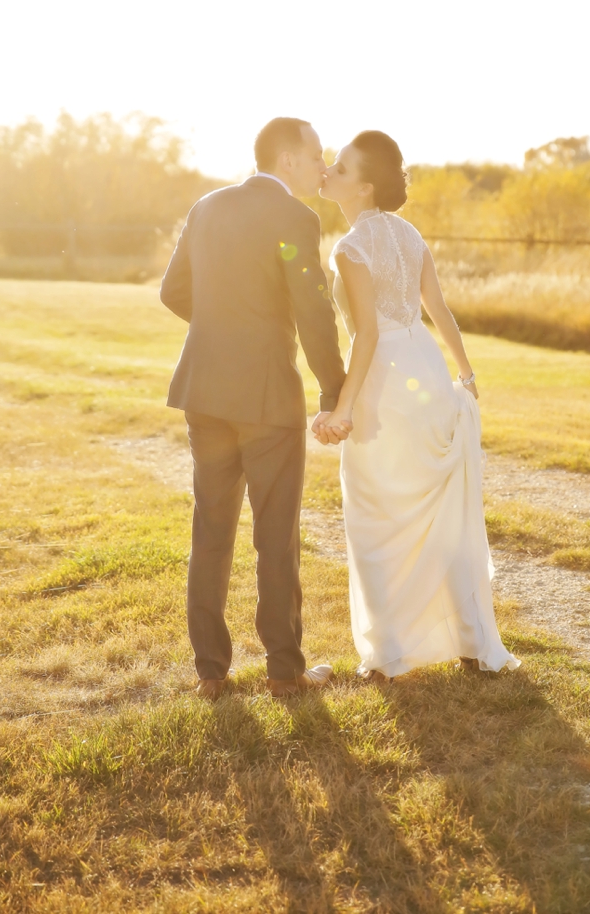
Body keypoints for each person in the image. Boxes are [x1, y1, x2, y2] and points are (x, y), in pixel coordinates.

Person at [315, 131, 520, 681]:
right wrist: (466, 374)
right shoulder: (409, 235)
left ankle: (392, 652)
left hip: (384, 385)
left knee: (376, 516)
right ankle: (471, 643)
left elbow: (364, 338)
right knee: (440, 516)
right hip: (428, 376)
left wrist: (344, 407)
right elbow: (440, 312)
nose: (326, 172)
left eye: (338, 167)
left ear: (362, 187)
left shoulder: (349, 248)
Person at [161, 118, 348, 698]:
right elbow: (316, 316)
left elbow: (172, 291)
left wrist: (224, 327)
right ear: (289, 160)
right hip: (267, 397)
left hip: (205, 392)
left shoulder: (207, 206)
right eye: (318, 154)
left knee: (210, 531)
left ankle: (211, 673)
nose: (324, 165)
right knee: (276, 534)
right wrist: (335, 390)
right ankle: (285, 672)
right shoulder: (296, 217)